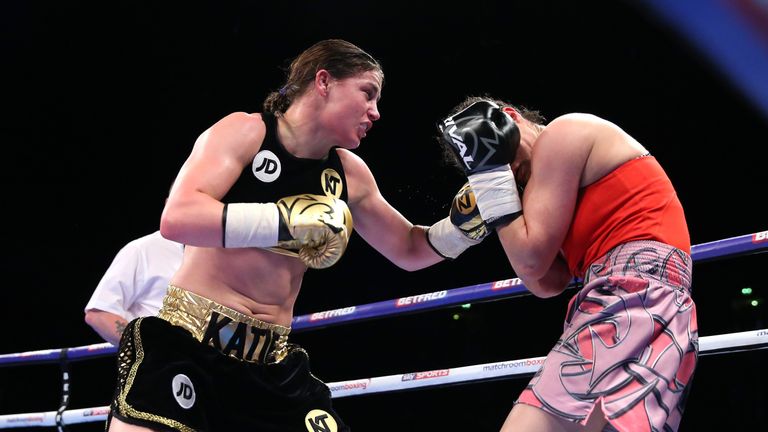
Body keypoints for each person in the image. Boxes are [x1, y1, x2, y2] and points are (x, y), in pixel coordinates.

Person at [106, 39, 482, 432]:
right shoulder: (246, 132)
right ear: (324, 81)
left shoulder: (349, 175)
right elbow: (178, 217)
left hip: (271, 366)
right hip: (188, 343)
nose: (375, 112)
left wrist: (463, 228)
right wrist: (286, 222)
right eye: (367, 93)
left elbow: (408, 248)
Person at [437, 97, 697, 432]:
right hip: (639, 297)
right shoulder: (541, 188)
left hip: (633, 293)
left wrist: (491, 181)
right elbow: (548, 283)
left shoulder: (564, 133)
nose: (507, 169)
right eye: (485, 165)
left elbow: (531, 262)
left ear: (511, 118)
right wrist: (499, 198)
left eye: (500, 156)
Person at [84, 230, 184, 345]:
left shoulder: (207, 254)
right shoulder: (143, 249)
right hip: (165, 358)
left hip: (204, 356)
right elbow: (99, 313)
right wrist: (145, 349)